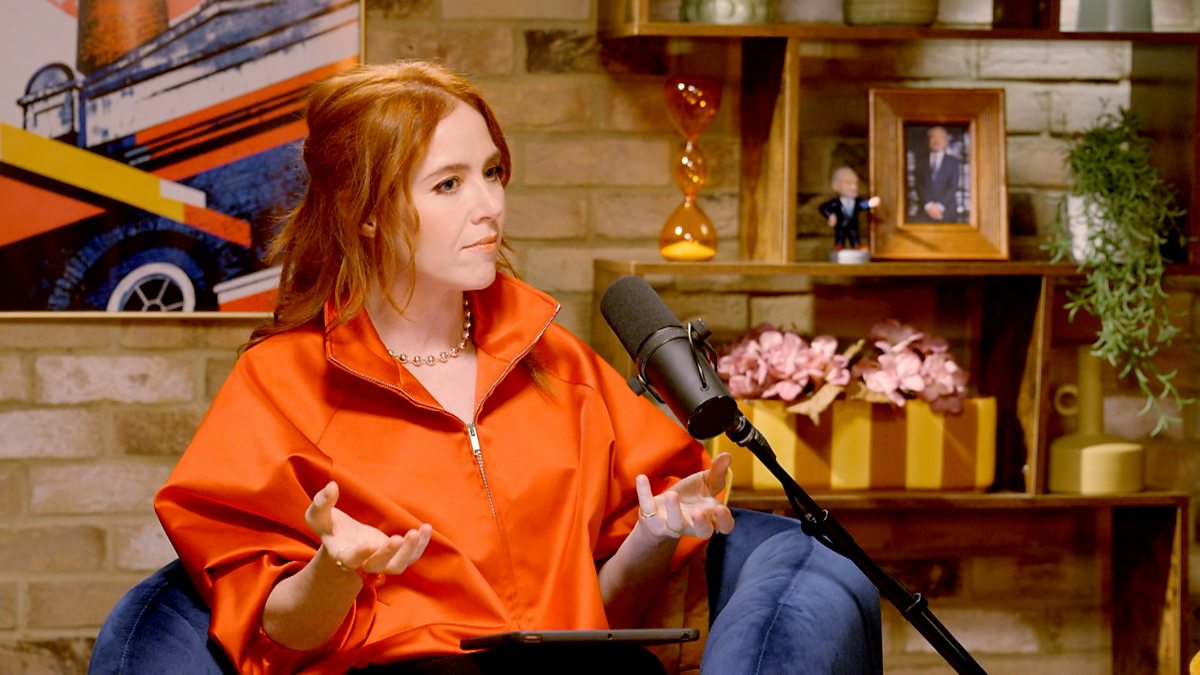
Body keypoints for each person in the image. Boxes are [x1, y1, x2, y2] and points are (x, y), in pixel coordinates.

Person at [153, 60, 734, 674]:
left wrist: (655, 532)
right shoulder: (278, 385)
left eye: (492, 172)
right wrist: (336, 568)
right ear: (365, 212)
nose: (489, 206)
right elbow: (278, 639)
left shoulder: (559, 364)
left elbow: (599, 621)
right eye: (448, 184)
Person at [817, 166, 879, 259]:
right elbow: (823, 208)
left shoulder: (857, 202)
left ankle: (856, 245)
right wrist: (830, 216)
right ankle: (839, 245)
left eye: (855, 183)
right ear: (835, 186)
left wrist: (870, 203)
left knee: (854, 236)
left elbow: (863, 205)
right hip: (841, 226)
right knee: (840, 236)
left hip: (853, 226)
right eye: (848, 183)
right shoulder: (835, 203)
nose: (854, 187)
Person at [911, 125, 962, 223]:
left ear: (946, 141)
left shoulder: (953, 162)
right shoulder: (921, 160)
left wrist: (939, 207)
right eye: (933, 137)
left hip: (947, 213)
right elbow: (919, 184)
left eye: (940, 137)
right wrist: (929, 207)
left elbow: (953, 186)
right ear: (928, 141)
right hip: (924, 212)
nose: (936, 141)